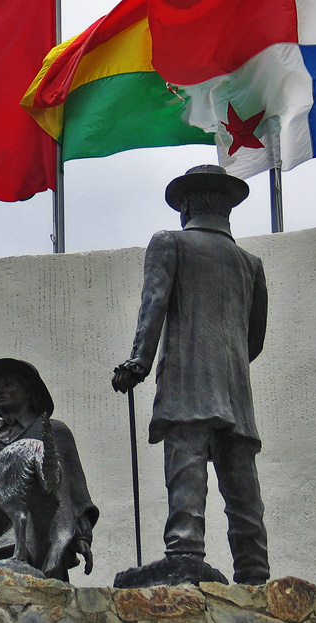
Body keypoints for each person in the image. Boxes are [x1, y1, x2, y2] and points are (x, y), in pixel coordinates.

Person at [112, 164, 270, 585]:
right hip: (236, 393)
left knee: (187, 471)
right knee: (242, 490)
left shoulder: (170, 243)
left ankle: (185, 551)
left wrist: (137, 364)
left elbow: (154, 307)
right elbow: (254, 340)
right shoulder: (251, 264)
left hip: (187, 383)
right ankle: (254, 570)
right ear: (227, 209)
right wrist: (225, 364)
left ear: (185, 206)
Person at [0, 358, 98, 582]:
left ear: (29, 393)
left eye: (8, 384)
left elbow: (73, 491)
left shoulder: (53, 433)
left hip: (41, 538)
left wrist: (81, 537)